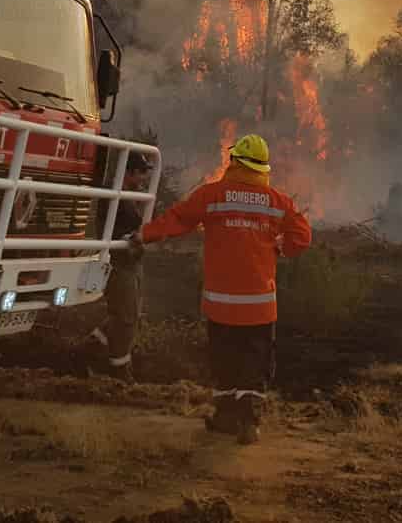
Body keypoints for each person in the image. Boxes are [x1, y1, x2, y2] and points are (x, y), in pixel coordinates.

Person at [129, 134, 311, 444]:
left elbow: (177, 220)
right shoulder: (278, 201)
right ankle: (249, 423)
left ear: (236, 162)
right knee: (255, 363)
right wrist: (281, 249)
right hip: (259, 307)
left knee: (224, 361)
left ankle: (226, 418)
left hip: (221, 305)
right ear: (263, 166)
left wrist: (143, 235)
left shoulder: (212, 195)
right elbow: (302, 237)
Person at [87, 149, 154, 382]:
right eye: (142, 173)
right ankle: (119, 370)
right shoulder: (116, 195)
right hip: (119, 263)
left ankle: (90, 349)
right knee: (126, 316)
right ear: (131, 172)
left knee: (126, 314)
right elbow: (120, 229)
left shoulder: (129, 195)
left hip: (130, 261)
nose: (145, 179)